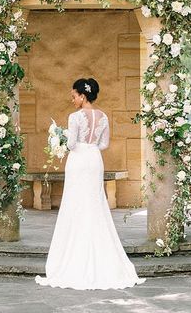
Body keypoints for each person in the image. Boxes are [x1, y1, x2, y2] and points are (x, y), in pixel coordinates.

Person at [35, 77, 146, 290]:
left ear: (83, 95)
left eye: (74, 96)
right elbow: (104, 144)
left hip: (78, 160)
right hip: (95, 159)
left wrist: (60, 138)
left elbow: (71, 144)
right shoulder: (103, 117)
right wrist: (90, 146)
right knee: (95, 203)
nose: (72, 100)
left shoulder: (75, 117)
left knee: (76, 204)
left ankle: (74, 256)